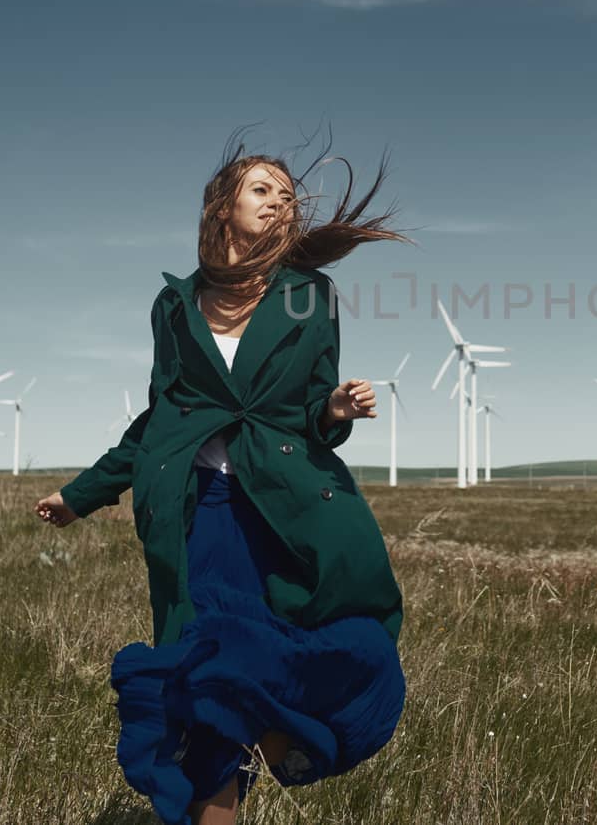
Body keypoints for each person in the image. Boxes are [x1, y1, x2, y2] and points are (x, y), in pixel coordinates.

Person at [35, 131, 414, 824]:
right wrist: (82, 493)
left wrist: (336, 408)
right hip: (199, 514)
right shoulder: (174, 307)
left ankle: (278, 733)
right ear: (222, 209)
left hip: (286, 513)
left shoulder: (309, 296)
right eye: (262, 190)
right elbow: (165, 419)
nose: (280, 203)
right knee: (202, 678)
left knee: (293, 656)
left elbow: (312, 408)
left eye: (288, 196)